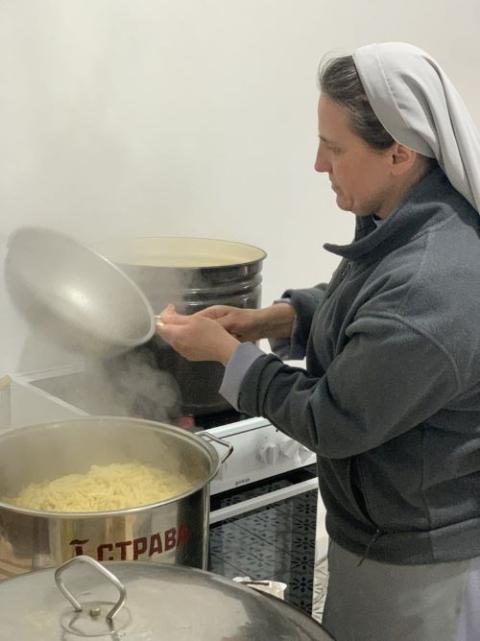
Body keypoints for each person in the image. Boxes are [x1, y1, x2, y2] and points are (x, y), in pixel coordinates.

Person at [156, 42, 480, 641]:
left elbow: (333, 419)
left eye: (334, 148)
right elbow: (360, 302)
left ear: (399, 153)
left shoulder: (434, 285)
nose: (317, 164)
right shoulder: (409, 215)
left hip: (420, 564)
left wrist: (230, 358)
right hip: (381, 533)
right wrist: (271, 320)